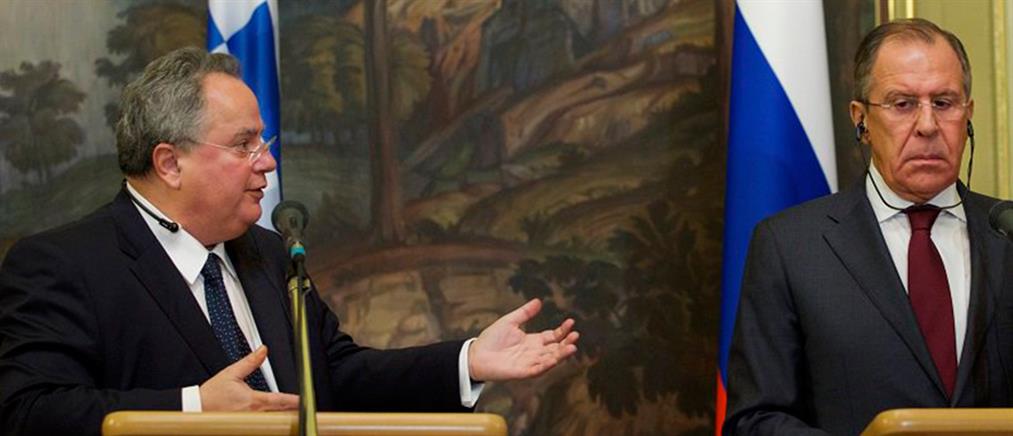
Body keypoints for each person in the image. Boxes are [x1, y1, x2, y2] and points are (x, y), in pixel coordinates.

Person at [0, 47, 579, 435]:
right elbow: (27, 410)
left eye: (264, 142)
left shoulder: (269, 253)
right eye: (244, 144)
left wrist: (467, 360)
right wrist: (194, 406)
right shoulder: (63, 264)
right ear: (170, 163)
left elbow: (335, 377)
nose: (268, 163)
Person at [724, 18, 1013, 435]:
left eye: (944, 102)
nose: (928, 125)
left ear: (968, 115)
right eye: (903, 104)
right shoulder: (791, 247)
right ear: (861, 120)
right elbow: (755, 421)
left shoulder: (1006, 233)